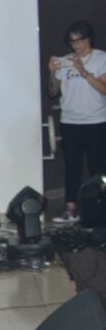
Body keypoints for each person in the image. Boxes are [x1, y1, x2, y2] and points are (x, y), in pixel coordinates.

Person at [47, 20, 106, 224]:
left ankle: (100, 208)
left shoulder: (101, 59)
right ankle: (70, 208)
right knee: (72, 166)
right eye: (72, 42)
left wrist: (84, 71)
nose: (76, 46)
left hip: (96, 120)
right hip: (70, 121)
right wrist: (53, 73)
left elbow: (104, 88)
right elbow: (53, 92)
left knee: (98, 167)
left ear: (88, 39)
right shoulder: (66, 61)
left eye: (79, 41)